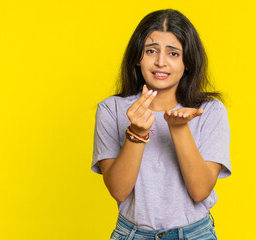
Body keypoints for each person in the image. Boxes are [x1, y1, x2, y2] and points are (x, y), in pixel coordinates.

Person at [91, 8, 232, 240]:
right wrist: (136, 133)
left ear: (188, 62)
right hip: (132, 234)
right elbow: (118, 190)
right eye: (151, 51)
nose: (160, 62)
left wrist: (179, 128)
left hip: (195, 234)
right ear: (138, 57)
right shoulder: (111, 110)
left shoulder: (209, 111)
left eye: (173, 53)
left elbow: (200, 191)